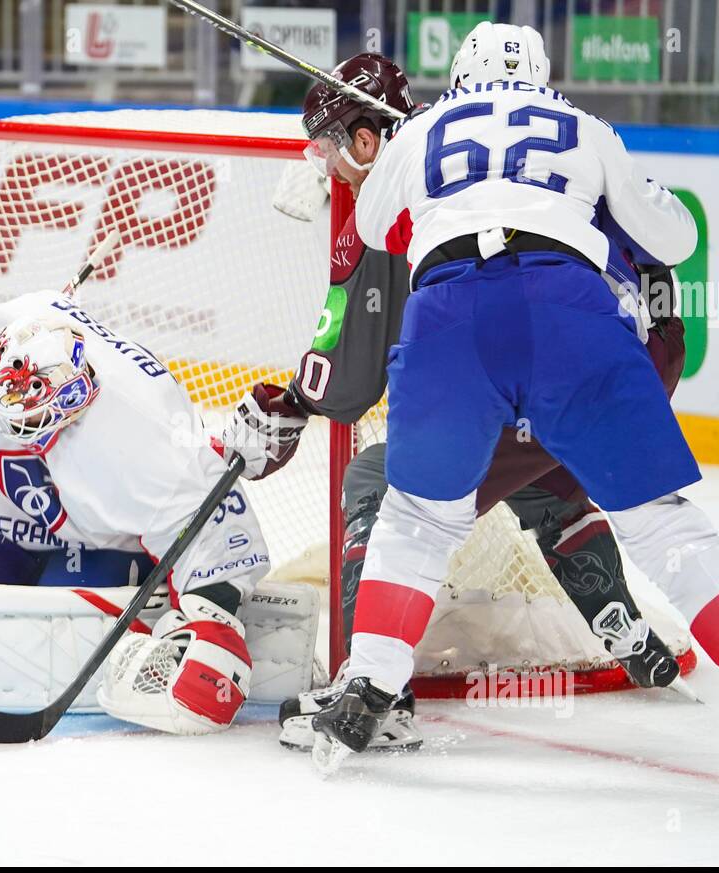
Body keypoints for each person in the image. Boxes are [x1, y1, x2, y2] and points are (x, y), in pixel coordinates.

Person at [255, 24, 719, 795]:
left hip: (452, 318)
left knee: (415, 520)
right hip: (574, 316)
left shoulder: (420, 132)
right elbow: (677, 235)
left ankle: (369, 691)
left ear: (460, 78)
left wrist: (376, 174)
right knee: (665, 523)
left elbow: (369, 228)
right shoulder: (587, 129)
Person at [224, 52, 693, 752]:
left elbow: (349, 388)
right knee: (537, 471)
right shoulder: (502, 147)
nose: (324, 166)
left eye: (329, 148)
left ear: (365, 139)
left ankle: (375, 689)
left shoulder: (402, 186)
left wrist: (291, 399)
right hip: (631, 353)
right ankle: (625, 631)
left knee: (379, 482)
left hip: (551, 347)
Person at [0, 290, 267, 735]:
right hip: (6, 524)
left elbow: (215, 522)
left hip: (100, 543)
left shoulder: (144, 438)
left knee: (48, 639)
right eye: (21, 426)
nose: (34, 434)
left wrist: (213, 615)